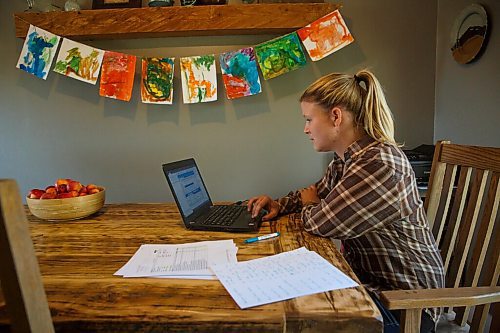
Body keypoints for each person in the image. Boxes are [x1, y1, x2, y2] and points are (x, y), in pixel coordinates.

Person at [247, 70, 445, 333]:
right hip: (368, 284)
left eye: (308, 119)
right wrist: (278, 204)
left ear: (336, 116)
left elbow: (321, 222)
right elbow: (312, 192)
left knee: (302, 318)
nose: (305, 129)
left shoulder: (378, 164)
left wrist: (311, 204)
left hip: (406, 305)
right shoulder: (347, 160)